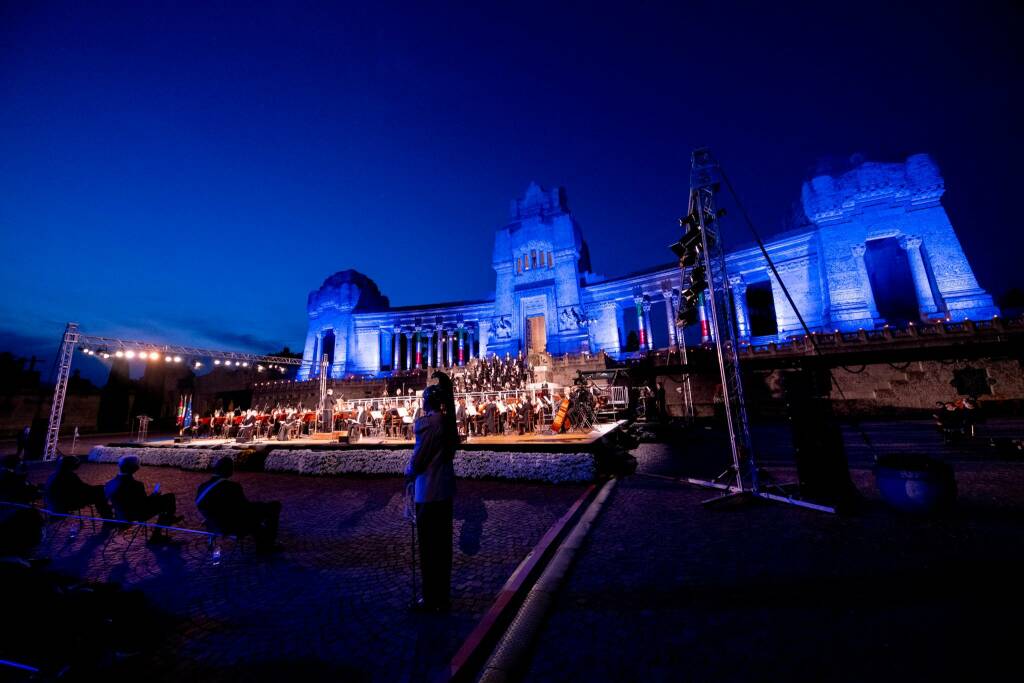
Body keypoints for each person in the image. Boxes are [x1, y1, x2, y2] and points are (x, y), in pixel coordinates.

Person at [405, 383, 456, 613]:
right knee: (444, 547)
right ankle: (443, 595)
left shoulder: (427, 425)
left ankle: (430, 598)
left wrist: (408, 472)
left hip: (427, 492)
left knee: (428, 548)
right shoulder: (448, 423)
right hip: (445, 491)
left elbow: (418, 461)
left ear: (427, 402)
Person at [195, 456, 282, 553]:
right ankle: (266, 546)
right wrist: (260, 506)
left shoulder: (202, 487)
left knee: (256, 515)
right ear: (229, 471)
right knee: (274, 507)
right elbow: (245, 509)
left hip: (215, 524)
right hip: (230, 525)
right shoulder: (232, 487)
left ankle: (261, 538)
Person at [104, 455, 181, 544]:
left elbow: (133, 501)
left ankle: (166, 522)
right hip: (137, 515)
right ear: (133, 469)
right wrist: (154, 496)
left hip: (120, 515)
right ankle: (159, 531)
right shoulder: (136, 484)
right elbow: (144, 504)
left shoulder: (109, 483)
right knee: (169, 498)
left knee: (165, 502)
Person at [44, 455, 112, 519]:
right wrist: (100, 488)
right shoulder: (68, 476)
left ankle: (108, 515)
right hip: (65, 503)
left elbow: (80, 488)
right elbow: (83, 489)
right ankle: (108, 518)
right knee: (99, 495)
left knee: (99, 492)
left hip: (54, 503)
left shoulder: (54, 475)